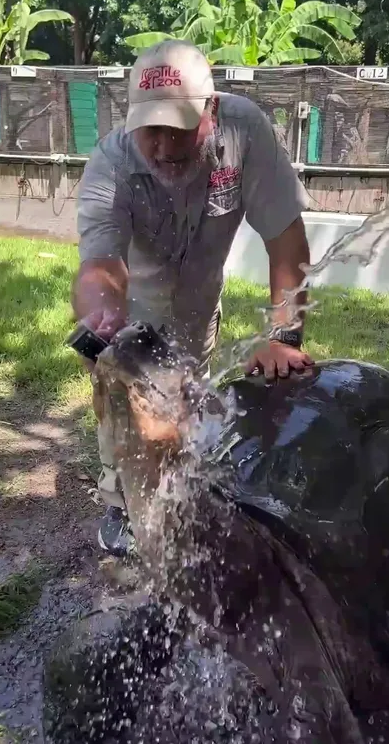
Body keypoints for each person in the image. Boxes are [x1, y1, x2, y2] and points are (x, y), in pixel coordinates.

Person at [72, 39, 314, 556]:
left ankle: (182, 504)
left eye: (175, 128)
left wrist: (284, 334)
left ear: (212, 110)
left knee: (189, 424)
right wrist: (104, 327)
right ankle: (122, 507)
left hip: (201, 305)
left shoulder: (245, 133)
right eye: (149, 128)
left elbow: (287, 240)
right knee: (131, 424)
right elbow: (100, 267)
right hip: (135, 307)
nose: (160, 145)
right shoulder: (110, 165)